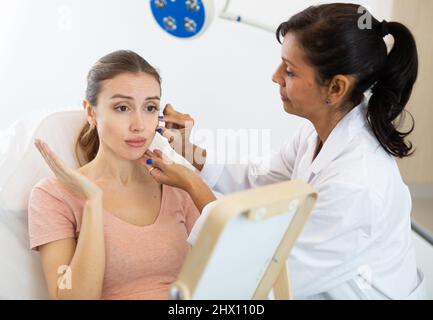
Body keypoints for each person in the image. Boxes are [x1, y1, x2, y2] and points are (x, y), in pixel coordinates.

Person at [143, 4, 426, 299]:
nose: (275, 76)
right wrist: (189, 151)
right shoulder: (320, 129)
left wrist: (192, 184)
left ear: (336, 88)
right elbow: (258, 177)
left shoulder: (357, 185)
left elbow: (264, 274)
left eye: (289, 70)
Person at [27, 50, 215, 300]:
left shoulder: (176, 185)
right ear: (91, 112)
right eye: (122, 107)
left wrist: (192, 181)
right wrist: (93, 202)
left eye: (150, 107)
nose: (138, 124)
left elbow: (234, 265)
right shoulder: (53, 195)